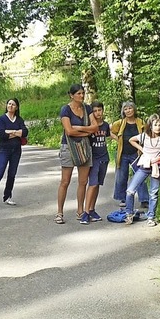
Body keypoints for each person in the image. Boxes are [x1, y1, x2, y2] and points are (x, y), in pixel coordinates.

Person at [55, 84, 99, 224]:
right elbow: (69, 131)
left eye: (83, 93)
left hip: (85, 147)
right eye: (79, 93)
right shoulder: (66, 110)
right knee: (65, 181)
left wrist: (80, 128)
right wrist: (87, 131)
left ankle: (80, 211)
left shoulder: (87, 108)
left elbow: (95, 127)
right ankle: (60, 212)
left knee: (83, 181)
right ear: (71, 95)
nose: (81, 96)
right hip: (68, 147)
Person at [124, 114, 160, 227]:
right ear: (150, 126)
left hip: (157, 167)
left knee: (153, 193)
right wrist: (142, 149)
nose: (158, 127)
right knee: (130, 190)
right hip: (144, 166)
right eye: (155, 125)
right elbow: (131, 140)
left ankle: (151, 216)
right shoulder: (144, 136)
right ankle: (129, 214)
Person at [0, 98, 29, 207]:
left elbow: (24, 132)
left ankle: (7, 196)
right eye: (9, 104)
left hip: (16, 151)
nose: (10, 106)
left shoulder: (19, 120)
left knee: (12, 174)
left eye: (13, 104)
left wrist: (10, 131)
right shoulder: (2, 119)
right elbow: (2, 135)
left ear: (17, 107)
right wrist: (16, 132)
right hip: (4, 150)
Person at [111, 101, 149, 209]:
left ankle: (144, 199)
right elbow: (111, 131)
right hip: (122, 153)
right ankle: (122, 198)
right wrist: (118, 140)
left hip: (136, 153)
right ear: (123, 111)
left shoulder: (140, 122)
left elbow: (147, 134)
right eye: (125, 109)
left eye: (130, 108)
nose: (128, 111)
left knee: (140, 175)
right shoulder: (119, 123)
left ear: (134, 109)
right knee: (122, 176)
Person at [81, 101, 112, 224]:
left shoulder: (105, 125)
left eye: (100, 110)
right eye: (95, 111)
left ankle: (92, 209)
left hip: (104, 157)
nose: (98, 113)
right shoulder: (90, 126)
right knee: (92, 184)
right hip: (93, 158)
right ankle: (86, 212)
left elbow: (110, 135)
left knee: (98, 184)